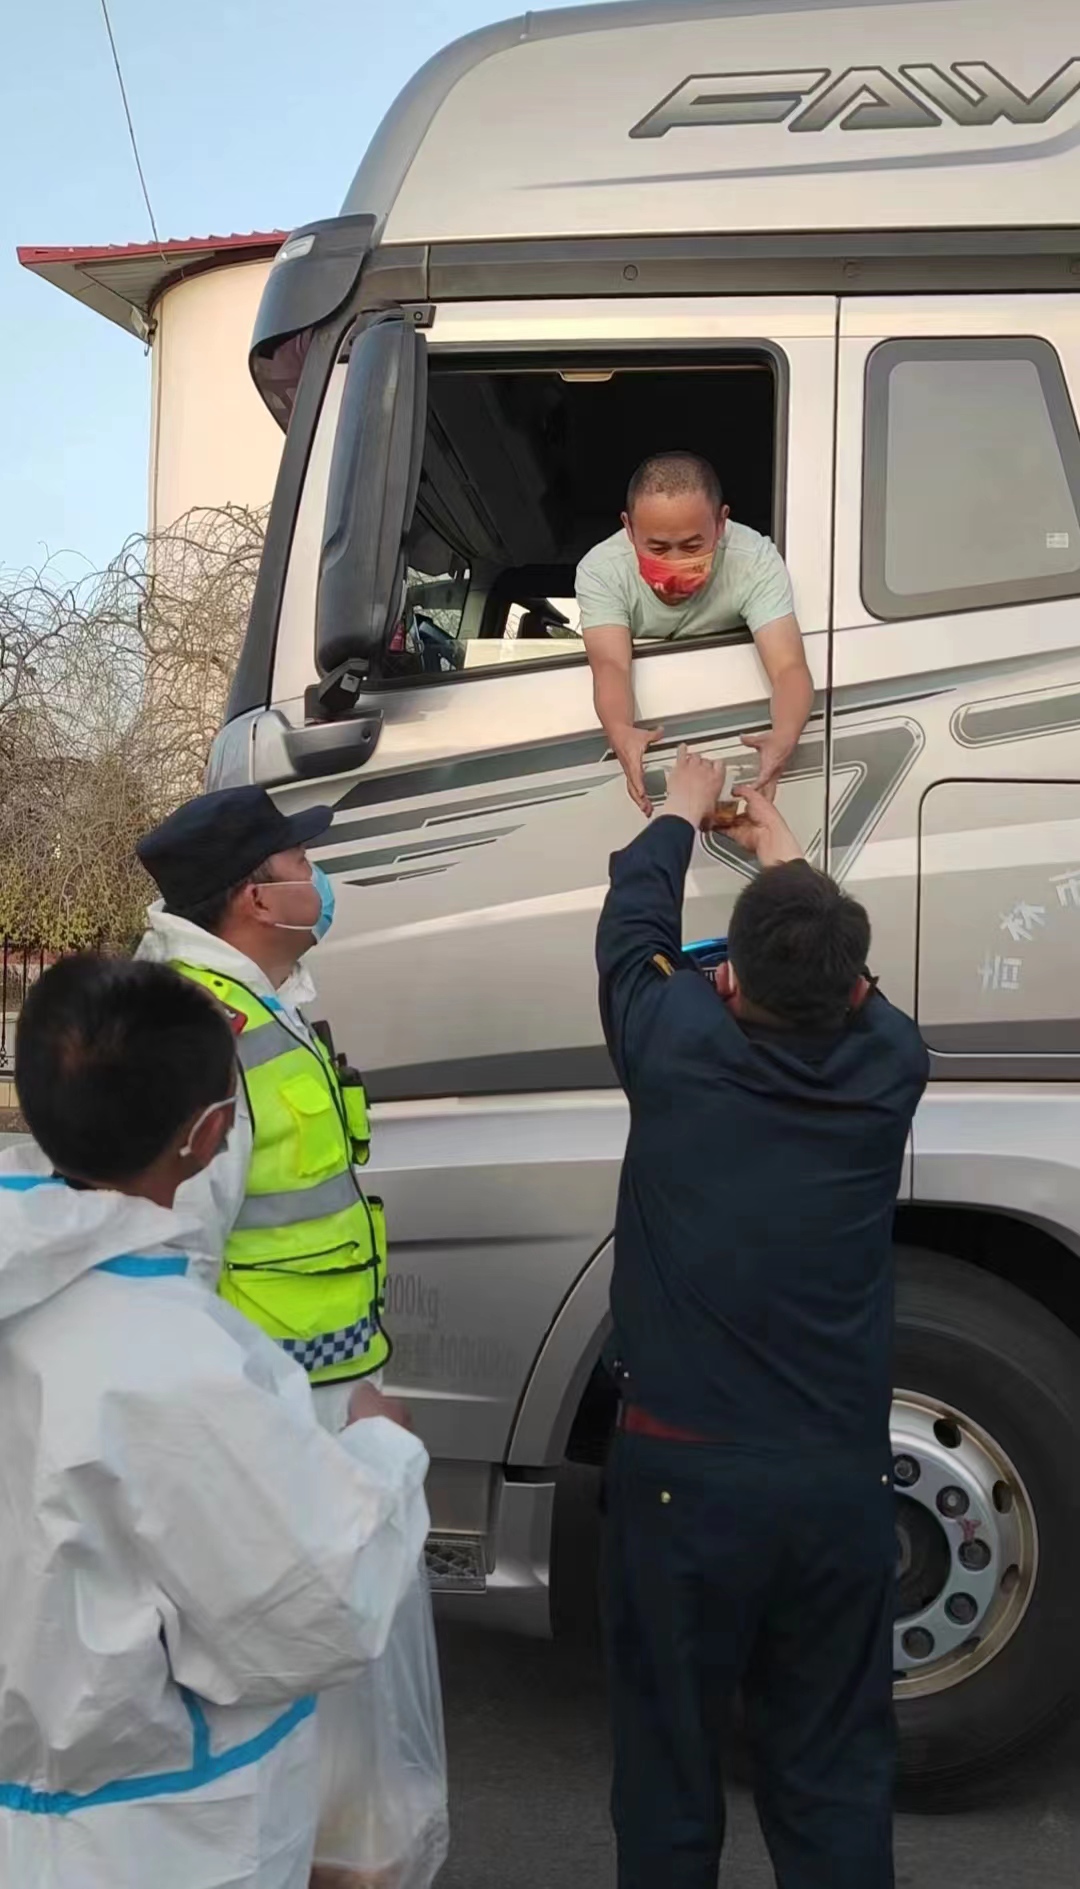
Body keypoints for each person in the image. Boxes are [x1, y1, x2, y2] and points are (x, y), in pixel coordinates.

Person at [0, 954, 429, 1889]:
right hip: (158, 1835)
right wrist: (382, 1445)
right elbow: (315, 1603)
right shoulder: (174, 1360)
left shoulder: (24, 1281)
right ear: (208, 1135)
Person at [596, 746, 930, 1889]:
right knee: (832, 1768)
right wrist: (777, 829)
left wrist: (683, 810)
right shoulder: (891, 1062)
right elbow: (837, 965)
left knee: (670, 1767)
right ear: (853, 986)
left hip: (679, 1481)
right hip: (835, 1483)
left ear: (726, 977)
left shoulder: (674, 1044)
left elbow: (632, 919)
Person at [135, 785, 387, 1430]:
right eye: (302, 861)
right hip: (256, 1417)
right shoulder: (194, 1035)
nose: (320, 880)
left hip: (306, 1401)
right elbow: (171, 1253)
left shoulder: (267, 1005)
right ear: (258, 899)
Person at [576, 452, 813, 815]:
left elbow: (788, 667)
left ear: (721, 524)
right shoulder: (601, 571)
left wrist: (785, 734)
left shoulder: (754, 560)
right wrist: (620, 730)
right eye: (656, 548)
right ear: (628, 528)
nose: (673, 565)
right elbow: (611, 666)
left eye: (691, 547)